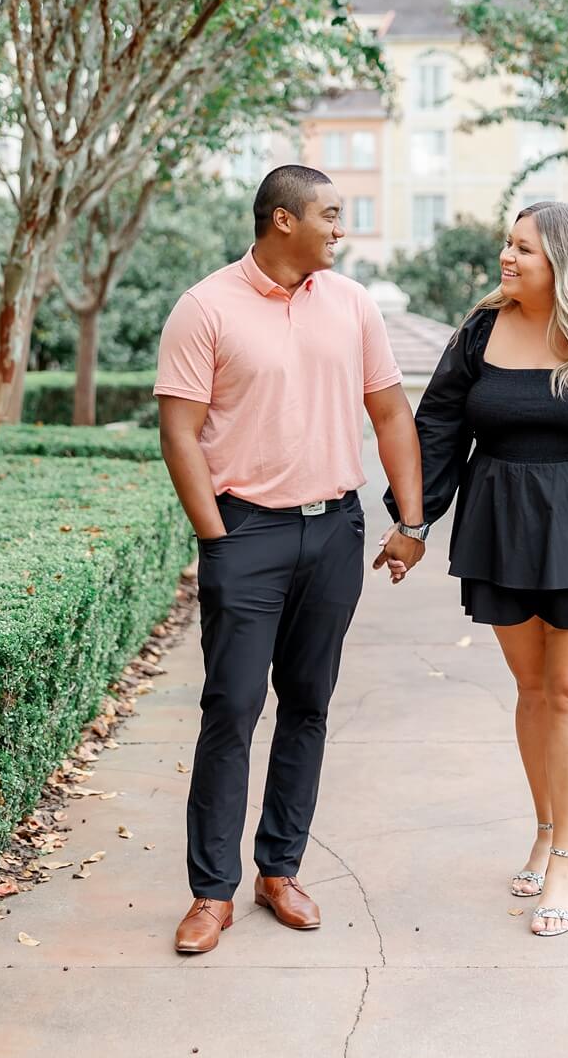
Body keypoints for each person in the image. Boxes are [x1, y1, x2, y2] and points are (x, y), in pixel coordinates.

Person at [383, 200, 568, 937]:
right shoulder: (481, 330)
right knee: (532, 687)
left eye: (524, 250)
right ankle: (546, 826)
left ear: (564, 263)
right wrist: (413, 520)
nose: (507, 259)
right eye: (506, 245)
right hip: (504, 524)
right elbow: (439, 427)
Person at [155, 165, 427, 955]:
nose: (341, 229)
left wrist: (410, 519)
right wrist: (216, 537)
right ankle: (212, 893)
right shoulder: (205, 307)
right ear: (282, 220)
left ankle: (280, 870)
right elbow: (180, 431)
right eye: (329, 215)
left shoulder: (352, 305)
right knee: (231, 710)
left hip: (333, 529)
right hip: (247, 534)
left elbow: (389, 413)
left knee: (307, 705)